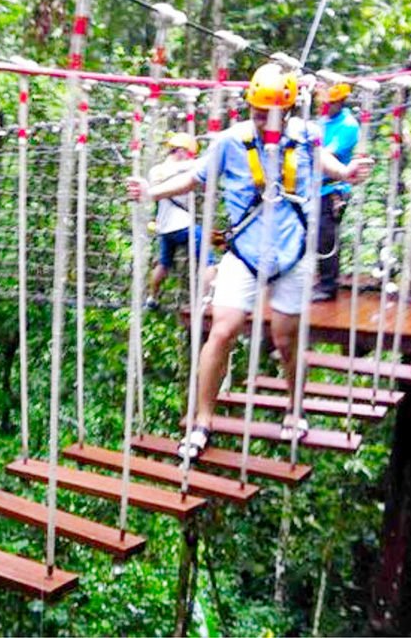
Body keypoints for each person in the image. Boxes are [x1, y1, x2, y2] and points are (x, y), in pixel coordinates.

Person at [127, 63, 372, 462]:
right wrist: (150, 193)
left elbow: (330, 164)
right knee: (221, 330)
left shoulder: (308, 136)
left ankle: (295, 408)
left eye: (271, 114)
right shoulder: (230, 142)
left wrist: (349, 172)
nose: (263, 120)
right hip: (245, 252)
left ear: (288, 111)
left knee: (286, 339)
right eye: (258, 112)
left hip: (291, 253)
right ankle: (201, 421)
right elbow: (194, 178)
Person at [144, 132, 216, 310]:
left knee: (164, 263)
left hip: (165, 229)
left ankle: (152, 297)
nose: (190, 157)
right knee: (208, 261)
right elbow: (204, 166)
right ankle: (207, 301)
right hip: (184, 225)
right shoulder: (184, 167)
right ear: (181, 151)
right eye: (189, 153)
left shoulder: (155, 171)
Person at [314, 82, 360, 301]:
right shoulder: (322, 121)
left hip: (333, 189)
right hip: (314, 189)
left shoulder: (348, 125)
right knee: (309, 235)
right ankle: (317, 280)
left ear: (340, 102)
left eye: (329, 103)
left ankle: (328, 285)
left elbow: (324, 155)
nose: (324, 106)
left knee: (326, 236)